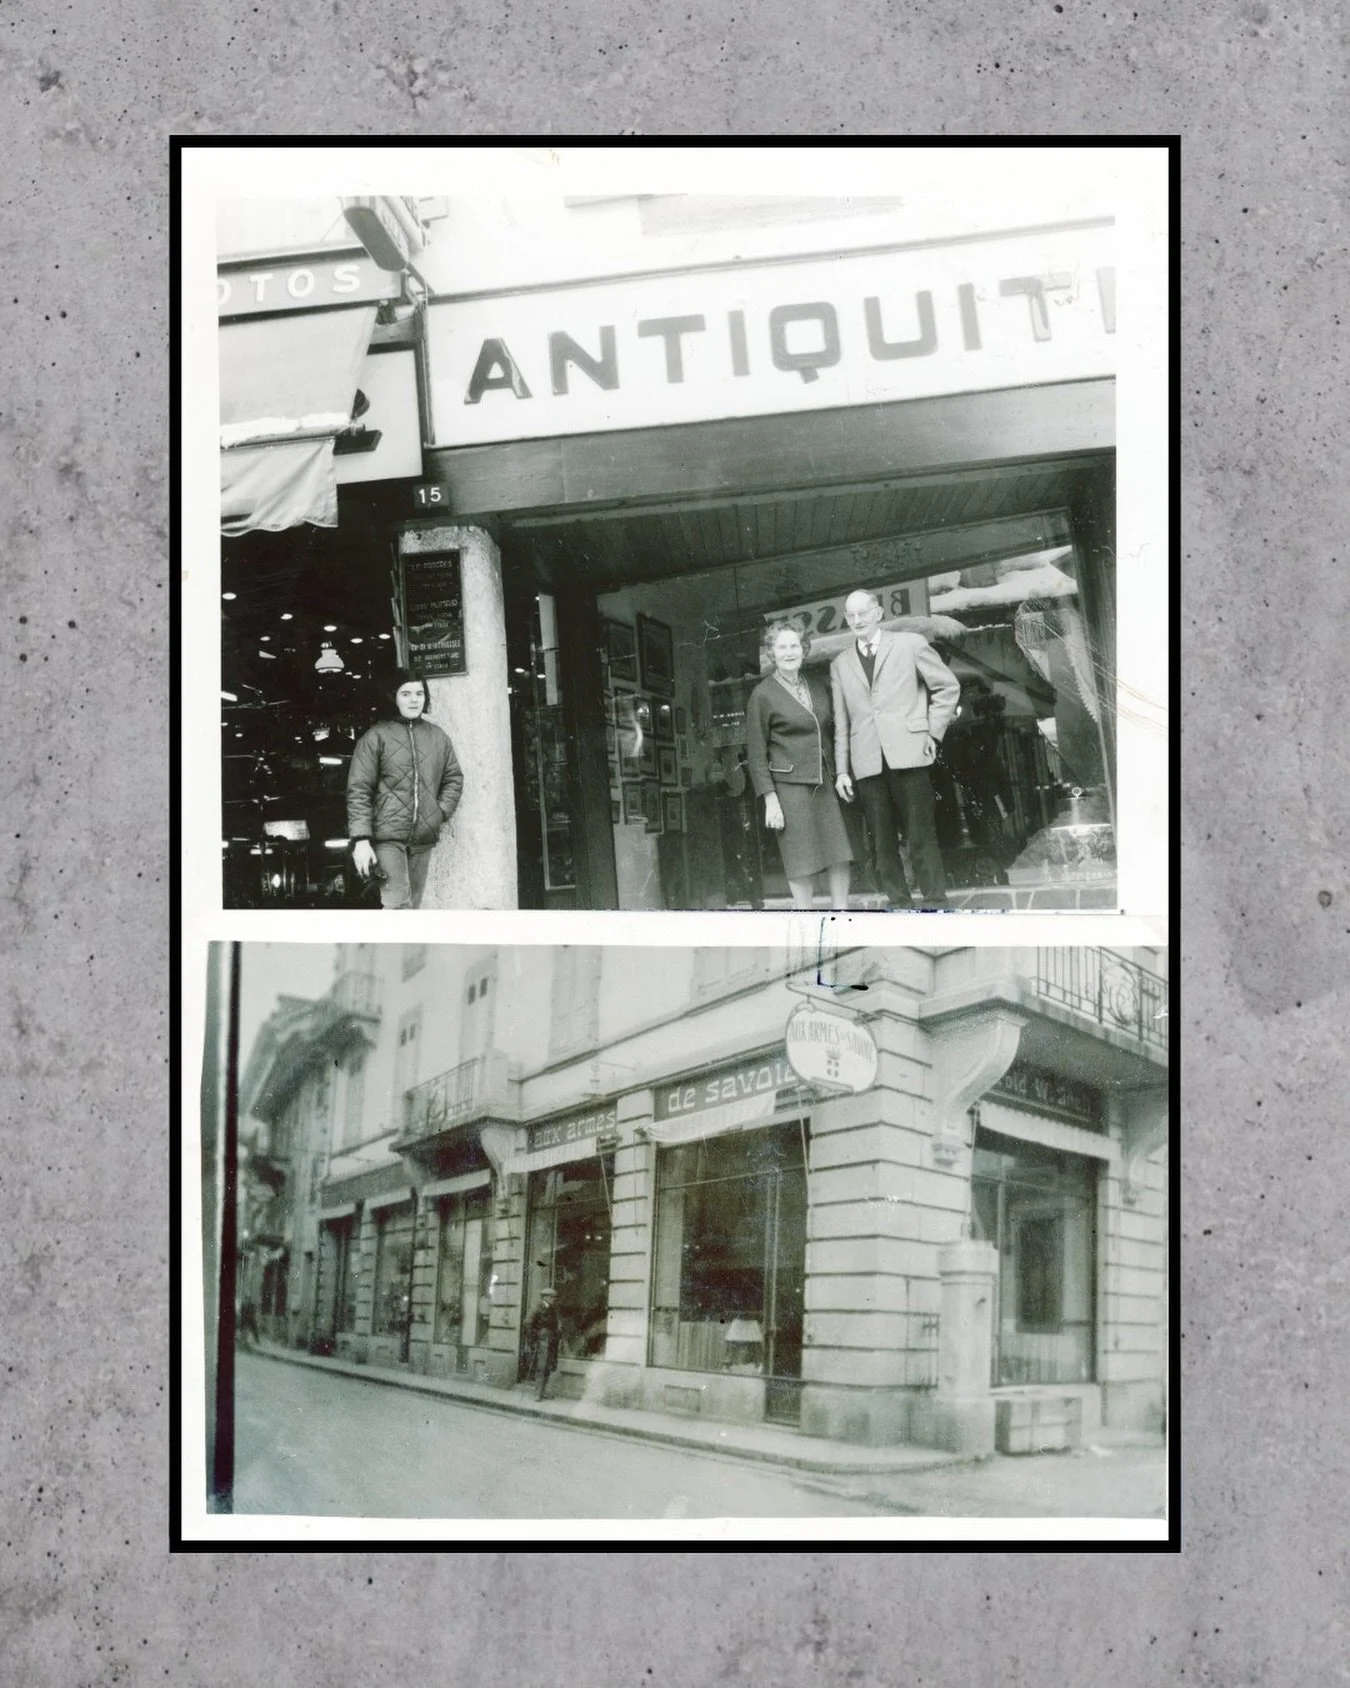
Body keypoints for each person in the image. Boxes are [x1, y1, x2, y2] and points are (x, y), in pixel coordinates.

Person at [831, 589, 961, 909]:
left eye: (863, 612)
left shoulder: (911, 645)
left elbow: (947, 687)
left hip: (910, 753)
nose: (857, 620)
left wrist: (934, 732)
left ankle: (935, 901)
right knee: (881, 840)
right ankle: (899, 903)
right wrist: (841, 771)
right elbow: (841, 723)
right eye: (851, 615)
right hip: (867, 762)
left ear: (879, 613)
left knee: (920, 834)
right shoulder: (840, 664)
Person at [746, 622, 853, 909]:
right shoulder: (762, 694)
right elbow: (756, 753)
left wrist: (840, 772)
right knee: (800, 859)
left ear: (803, 650)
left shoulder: (817, 685)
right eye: (782, 647)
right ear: (772, 653)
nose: (789, 652)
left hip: (824, 781)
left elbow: (829, 732)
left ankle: (841, 916)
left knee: (838, 853)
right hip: (789, 786)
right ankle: (806, 918)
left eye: (794, 646)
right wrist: (770, 799)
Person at [346, 669, 464, 910]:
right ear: (393, 697)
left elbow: (454, 778)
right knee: (397, 905)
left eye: (420, 693)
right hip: (387, 838)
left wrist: (439, 812)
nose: (414, 699)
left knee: (412, 907)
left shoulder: (438, 737)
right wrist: (361, 839)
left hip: (422, 839)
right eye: (406, 693)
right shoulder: (374, 738)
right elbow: (359, 790)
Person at [523, 1286, 563, 1401]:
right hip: (542, 1343)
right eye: (552, 1297)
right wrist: (533, 1341)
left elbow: (554, 1324)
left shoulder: (551, 1308)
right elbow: (527, 1324)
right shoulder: (536, 1308)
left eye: (555, 1297)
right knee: (541, 1367)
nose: (554, 1299)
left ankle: (543, 1391)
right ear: (545, 1297)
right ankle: (537, 1393)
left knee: (548, 1367)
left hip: (552, 1342)